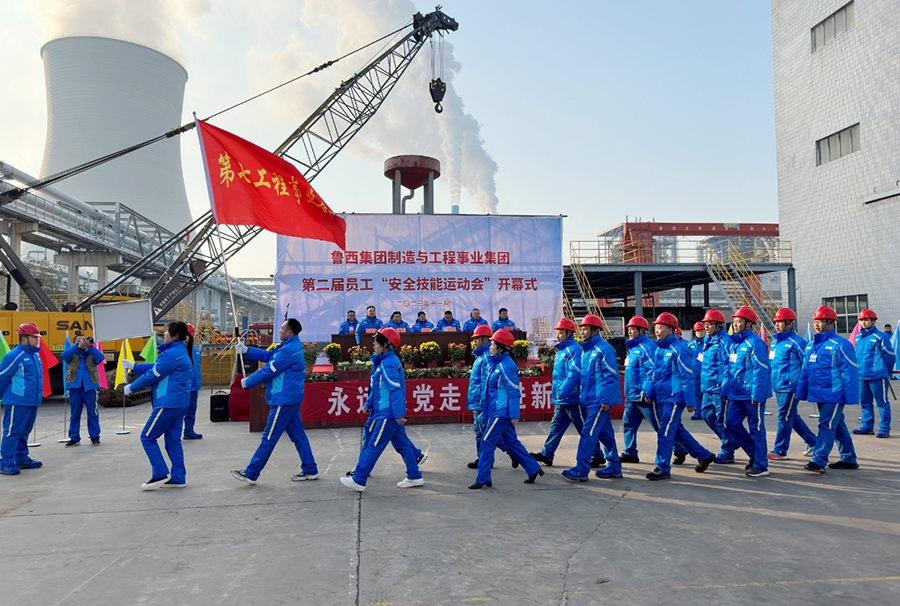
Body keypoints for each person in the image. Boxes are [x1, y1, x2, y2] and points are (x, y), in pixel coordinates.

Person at [231, 319, 319, 485]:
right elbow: (268, 356)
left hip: (283, 399)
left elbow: (269, 369)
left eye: (281, 328)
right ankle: (310, 469)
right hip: (289, 398)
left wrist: (248, 381)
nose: (279, 330)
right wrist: (247, 350)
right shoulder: (288, 346)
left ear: (289, 332)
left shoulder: (288, 350)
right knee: (298, 436)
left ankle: (251, 473)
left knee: (269, 437)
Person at [341, 328, 423, 492]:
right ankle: (414, 476)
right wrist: (368, 403)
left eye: (376, 343)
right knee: (403, 445)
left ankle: (359, 479)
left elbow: (395, 390)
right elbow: (378, 388)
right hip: (384, 411)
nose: (373, 345)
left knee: (374, 446)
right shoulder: (384, 361)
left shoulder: (389, 363)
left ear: (385, 345)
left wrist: (398, 414)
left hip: (387, 414)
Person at [642, 313, 715, 481]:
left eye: (660, 327)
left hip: (675, 398)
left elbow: (687, 376)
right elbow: (653, 373)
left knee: (665, 432)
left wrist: (690, 401)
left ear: (670, 329)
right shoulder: (659, 348)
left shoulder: (679, 349)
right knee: (677, 431)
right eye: (656, 327)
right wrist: (648, 391)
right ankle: (704, 455)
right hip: (662, 396)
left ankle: (662, 468)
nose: (657, 331)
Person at [469, 329, 544, 488]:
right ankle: (533, 468)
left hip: (501, 411)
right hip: (495, 409)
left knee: (487, 441)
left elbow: (514, 390)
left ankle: (483, 477)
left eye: (493, 344)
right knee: (511, 442)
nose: (490, 347)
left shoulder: (507, 365)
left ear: (501, 347)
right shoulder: (497, 362)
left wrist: (514, 413)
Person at [124, 321, 194, 489]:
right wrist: (135, 367)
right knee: (173, 442)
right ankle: (178, 477)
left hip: (168, 403)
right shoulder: (179, 351)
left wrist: (131, 387)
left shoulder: (172, 354)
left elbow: (153, 375)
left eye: (166, 332)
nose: (164, 335)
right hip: (179, 403)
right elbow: (158, 367)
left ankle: (160, 473)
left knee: (147, 437)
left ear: (175, 336)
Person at [531, 318, 605, 467]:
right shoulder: (562, 350)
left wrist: (563, 391)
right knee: (556, 427)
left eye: (560, 333)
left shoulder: (574, 349)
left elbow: (574, 373)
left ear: (569, 333)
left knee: (584, 428)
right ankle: (547, 454)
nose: (558, 336)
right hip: (562, 398)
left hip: (572, 398)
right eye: (557, 333)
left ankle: (597, 455)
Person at [796, 306, 860, 474]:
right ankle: (849, 458)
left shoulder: (841, 345)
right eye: (815, 321)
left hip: (834, 394)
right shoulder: (811, 346)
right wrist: (802, 392)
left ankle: (818, 460)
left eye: (821, 321)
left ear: (831, 323)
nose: (817, 324)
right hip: (819, 394)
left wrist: (850, 396)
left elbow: (849, 372)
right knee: (837, 425)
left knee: (826, 425)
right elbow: (805, 372)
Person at [561, 314, 623, 482]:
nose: (582, 332)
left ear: (595, 330)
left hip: (599, 400)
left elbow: (611, 376)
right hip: (591, 399)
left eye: (585, 329)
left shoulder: (604, 349)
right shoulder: (586, 351)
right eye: (581, 329)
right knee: (606, 434)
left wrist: (605, 399)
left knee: (588, 432)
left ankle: (581, 469)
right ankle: (614, 465)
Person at [620, 316, 688, 465]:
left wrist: (648, 391)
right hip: (631, 396)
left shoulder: (648, 347)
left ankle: (679, 448)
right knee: (628, 425)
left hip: (644, 396)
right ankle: (630, 452)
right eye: (629, 329)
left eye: (633, 329)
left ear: (641, 330)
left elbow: (654, 371)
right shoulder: (633, 348)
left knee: (660, 427)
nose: (630, 332)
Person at [722, 307, 773, 478]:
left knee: (756, 428)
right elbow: (729, 369)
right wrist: (725, 389)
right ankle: (755, 454)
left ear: (749, 324)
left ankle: (761, 465)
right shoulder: (734, 343)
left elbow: (761, 369)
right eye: (734, 322)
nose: (735, 325)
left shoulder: (755, 343)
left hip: (751, 395)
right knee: (731, 423)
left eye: (739, 322)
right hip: (736, 393)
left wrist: (757, 394)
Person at [767, 308, 817, 460]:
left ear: (790, 324)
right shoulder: (775, 343)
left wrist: (805, 385)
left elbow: (807, 365)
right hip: (778, 386)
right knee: (791, 415)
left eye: (780, 322)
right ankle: (813, 442)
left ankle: (780, 450)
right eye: (776, 322)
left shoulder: (798, 343)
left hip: (791, 386)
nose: (777, 325)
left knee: (784, 417)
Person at [0, 323, 44, 476]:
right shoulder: (14, 356)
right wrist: (3, 397)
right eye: (34, 337)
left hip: (32, 401)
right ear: (24, 338)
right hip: (17, 401)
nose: (37, 340)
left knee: (24, 431)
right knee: (12, 432)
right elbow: (2, 376)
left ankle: (21, 458)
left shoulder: (35, 355)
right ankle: (5, 462)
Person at [699, 309, 739, 464]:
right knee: (707, 415)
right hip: (707, 388)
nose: (706, 327)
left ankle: (728, 451)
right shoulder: (707, 341)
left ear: (718, 325)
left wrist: (725, 387)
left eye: (710, 324)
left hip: (719, 389)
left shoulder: (725, 341)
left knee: (721, 420)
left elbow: (730, 365)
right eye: (705, 324)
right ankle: (731, 440)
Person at [853, 308, 895, 438]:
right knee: (865, 402)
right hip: (862, 376)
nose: (863, 322)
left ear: (873, 321)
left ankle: (884, 428)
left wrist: (885, 371)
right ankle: (867, 426)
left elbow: (890, 356)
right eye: (861, 320)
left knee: (882, 402)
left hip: (877, 375)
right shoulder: (858, 337)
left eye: (866, 320)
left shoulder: (880, 337)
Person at [61, 335, 105, 447]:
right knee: (75, 414)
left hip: (90, 386)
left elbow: (100, 358)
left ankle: (94, 436)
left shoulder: (91, 353)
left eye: (84, 340)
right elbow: (64, 356)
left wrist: (90, 347)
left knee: (93, 413)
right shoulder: (72, 353)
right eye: (79, 340)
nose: (83, 342)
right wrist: (77, 346)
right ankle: (74, 437)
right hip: (75, 386)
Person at [182, 324, 203, 439]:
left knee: (191, 410)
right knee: (180, 411)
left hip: (194, 386)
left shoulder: (195, 351)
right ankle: (175, 434)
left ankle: (189, 431)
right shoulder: (180, 351)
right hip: (184, 387)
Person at [688, 322, 706, 420]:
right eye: (698, 331)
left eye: (702, 330)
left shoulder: (708, 343)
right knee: (697, 394)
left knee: (706, 394)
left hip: (705, 373)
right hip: (694, 374)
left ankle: (705, 412)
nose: (700, 333)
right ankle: (698, 412)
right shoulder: (690, 344)